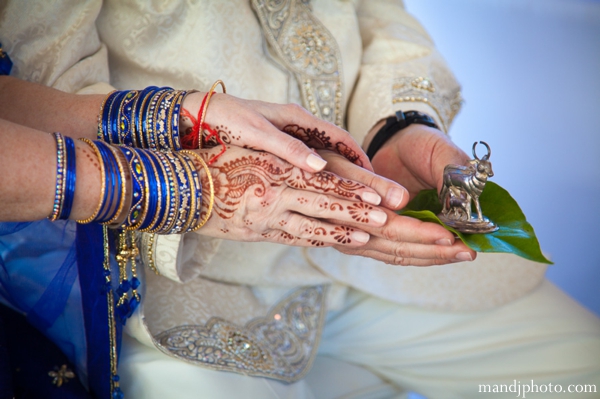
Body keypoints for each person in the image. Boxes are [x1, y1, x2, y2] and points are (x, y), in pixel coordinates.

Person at [1, 1, 599, 398]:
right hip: (182, 294)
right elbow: (39, 87)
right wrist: (194, 185)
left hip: (406, 255)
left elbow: (379, 16)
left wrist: (398, 127)